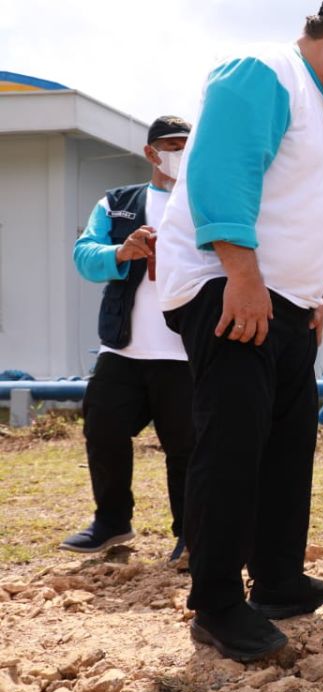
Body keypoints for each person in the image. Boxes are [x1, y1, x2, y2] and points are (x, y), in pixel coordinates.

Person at [155, 0, 323, 662]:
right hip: (231, 288)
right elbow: (222, 173)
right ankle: (215, 604)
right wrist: (241, 275)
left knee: (288, 445)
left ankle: (277, 579)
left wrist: (313, 294)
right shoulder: (262, 72)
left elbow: (303, 210)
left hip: (289, 304)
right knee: (235, 442)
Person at [61, 116, 194, 561]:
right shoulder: (118, 202)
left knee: (187, 448)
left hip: (185, 352)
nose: (179, 153)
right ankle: (112, 522)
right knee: (103, 430)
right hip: (123, 348)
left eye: (186, 145)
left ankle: (190, 535)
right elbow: (84, 255)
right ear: (151, 152)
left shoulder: (207, 202)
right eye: (171, 145)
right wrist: (120, 251)